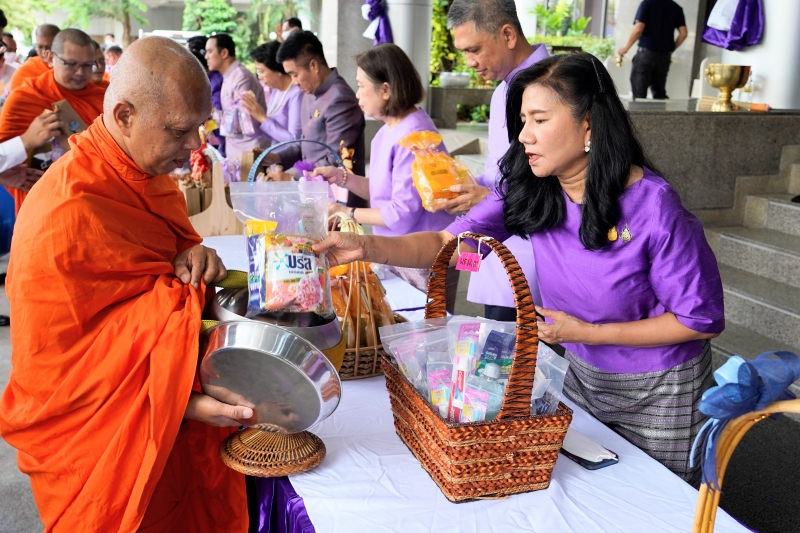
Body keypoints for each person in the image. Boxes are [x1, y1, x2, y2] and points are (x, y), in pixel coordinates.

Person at [314, 53, 724, 486]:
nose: (524, 136)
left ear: (589, 124)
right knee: (595, 491)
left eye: (539, 120)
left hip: (659, 388)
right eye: (522, 120)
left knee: (656, 499)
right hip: (583, 372)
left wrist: (586, 332)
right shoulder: (531, 186)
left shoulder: (654, 206)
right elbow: (447, 246)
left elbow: (699, 320)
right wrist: (363, 246)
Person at [0, 35, 250, 531]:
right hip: (97, 441)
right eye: (180, 131)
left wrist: (192, 255)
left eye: (200, 128)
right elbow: (67, 370)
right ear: (124, 116)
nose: (195, 145)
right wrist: (179, 399)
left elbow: (160, 268)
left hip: (163, 425)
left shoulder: (136, 169)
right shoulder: (68, 210)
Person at [312, 43, 458, 305]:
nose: (357, 95)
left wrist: (347, 211)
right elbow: (383, 191)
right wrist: (343, 177)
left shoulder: (414, 136)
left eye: (361, 86)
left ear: (386, 89)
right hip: (399, 253)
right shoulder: (387, 130)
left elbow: (400, 214)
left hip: (422, 258)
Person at [432, 0, 548, 321]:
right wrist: (470, 190)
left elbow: (557, 184)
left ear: (508, 34)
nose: (469, 62)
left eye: (475, 50)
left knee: (527, 360)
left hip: (530, 260)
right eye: (464, 53)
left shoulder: (552, 87)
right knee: (492, 349)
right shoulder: (502, 90)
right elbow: (500, 170)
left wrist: (491, 198)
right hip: (492, 248)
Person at [0, 28, 106, 214]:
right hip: (39, 201)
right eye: (71, 64)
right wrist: (27, 139)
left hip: (92, 198)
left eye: (88, 65)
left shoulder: (101, 98)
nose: (80, 72)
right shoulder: (25, 98)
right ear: (50, 58)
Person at [260, 30, 367, 208]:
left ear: (314, 66)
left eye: (295, 74)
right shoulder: (309, 92)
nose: (293, 82)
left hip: (338, 202)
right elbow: (305, 145)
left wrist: (292, 176)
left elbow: (335, 158)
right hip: (311, 196)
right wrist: (276, 157)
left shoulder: (340, 98)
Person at [205, 32, 269, 161]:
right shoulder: (229, 76)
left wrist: (212, 112)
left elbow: (242, 123)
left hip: (249, 153)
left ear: (224, 53)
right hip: (236, 153)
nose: (206, 56)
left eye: (210, 51)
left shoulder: (241, 77)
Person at [616, 0, 688, 100]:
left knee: (639, 94)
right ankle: (661, 115)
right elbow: (683, 33)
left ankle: (640, 115)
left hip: (646, 54)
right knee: (659, 94)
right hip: (664, 56)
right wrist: (671, 49)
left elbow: (638, 29)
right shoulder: (676, 7)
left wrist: (625, 48)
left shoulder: (647, 3)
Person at [241, 41, 302, 144]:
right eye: (257, 72)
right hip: (276, 155)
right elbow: (271, 134)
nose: (259, 77)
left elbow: (295, 140)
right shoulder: (276, 90)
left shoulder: (297, 93)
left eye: (262, 71)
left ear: (277, 69)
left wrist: (262, 118)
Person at [8, 24, 59, 92]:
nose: (44, 52)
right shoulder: (25, 71)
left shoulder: (70, 67)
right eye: (40, 47)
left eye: (49, 47)